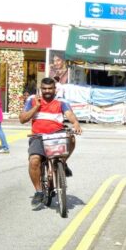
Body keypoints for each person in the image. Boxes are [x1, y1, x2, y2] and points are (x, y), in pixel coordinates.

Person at [19, 76, 83, 207]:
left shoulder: (61, 101)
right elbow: (22, 119)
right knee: (34, 160)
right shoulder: (32, 100)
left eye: (50, 88)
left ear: (55, 89)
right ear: (40, 89)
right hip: (38, 136)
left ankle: (63, 163)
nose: (47, 91)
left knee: (71, 138)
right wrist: (36, 107)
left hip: (57, 135)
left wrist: (76, 124)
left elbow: (70, 114)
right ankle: (39, 191)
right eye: (44, 89)